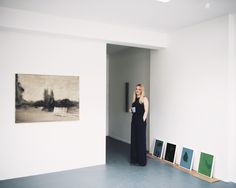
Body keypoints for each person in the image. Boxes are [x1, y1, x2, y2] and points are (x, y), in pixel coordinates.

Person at [130, 83, 149, 166]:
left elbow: (146, 111)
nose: (137, 90)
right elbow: (134, 111)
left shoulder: (144, 99)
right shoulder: (134, 100)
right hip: (134, 122)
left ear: (142, 90)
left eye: (139, 89)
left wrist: (143, 120)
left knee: (141, 141)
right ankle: (134, 159)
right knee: (134, 140)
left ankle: (141, 161)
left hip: (140, 122)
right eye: (136, 89)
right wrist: (130, 110)